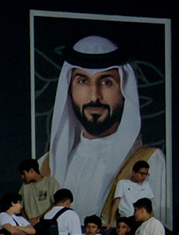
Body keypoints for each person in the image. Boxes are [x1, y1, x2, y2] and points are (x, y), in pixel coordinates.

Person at [40, 36, 163, 223]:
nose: (94, 96)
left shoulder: (150, 161)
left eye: (106, 82)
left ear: (124, 90)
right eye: (82, 81)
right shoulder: (45, 166)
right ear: (69, 89)